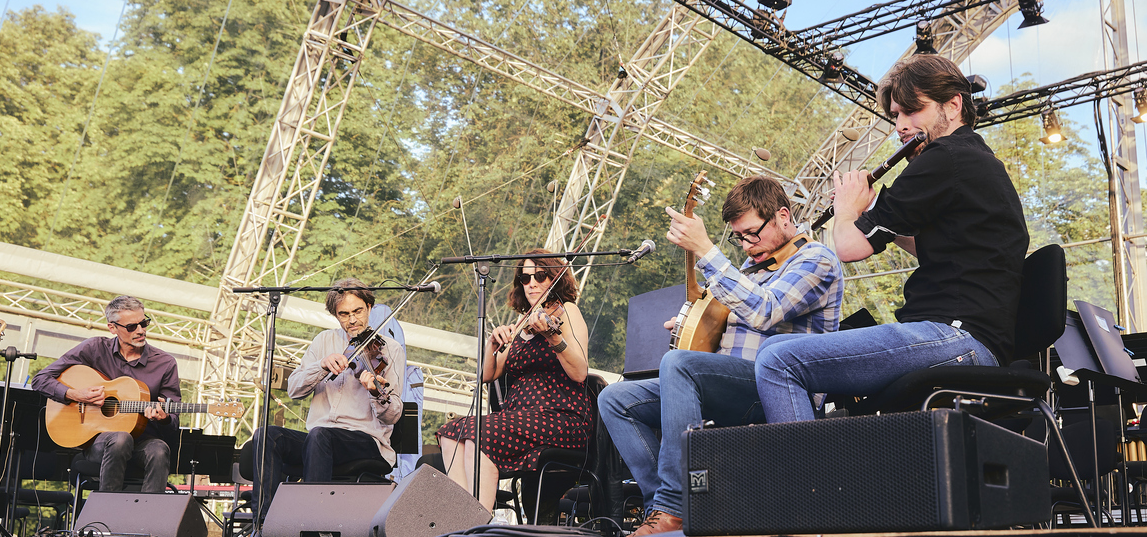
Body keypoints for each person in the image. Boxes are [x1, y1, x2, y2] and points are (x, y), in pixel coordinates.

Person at [754, 53, 1030, 424]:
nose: (900, 126)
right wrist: (876, 210)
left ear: (953, 105)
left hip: (956, 337)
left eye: (912, 111)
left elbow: (848, 248)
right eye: (896, 115)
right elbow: (943, 248)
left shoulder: (943, 156)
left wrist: (848, 211)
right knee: (776, 347)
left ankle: (808, 479)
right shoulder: (974, 159)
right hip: (970, 340)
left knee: (776, 361)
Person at [598, 175, 844, 536]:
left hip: (777, 387)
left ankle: (675, 505)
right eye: (738, 237)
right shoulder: (750, 269)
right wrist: (687, 324)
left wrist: (707, 250)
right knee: (615, 398)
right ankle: (660, 508)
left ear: (783, 217)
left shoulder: (816, 260)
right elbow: (724, 326)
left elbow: (765, 310)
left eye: (751, 233)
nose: (745, 245)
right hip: (730, 385)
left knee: (678, 365)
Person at [436, 249, 591, 512]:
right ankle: (462, 519)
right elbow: (488, 375)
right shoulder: (522, 322)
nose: (531, 284)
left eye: (540, 276)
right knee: (452, 433)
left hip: (559, 415)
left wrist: (555, 338)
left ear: (554, 277)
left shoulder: (567, 312)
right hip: (520, 417)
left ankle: (478, 523)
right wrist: (492, 344)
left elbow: (580, 372)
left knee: (478, 434)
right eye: (525, 278)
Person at [244, 278, 405, 522]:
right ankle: (265, 522)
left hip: (365, 440)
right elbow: (295, 390)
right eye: (344, 314)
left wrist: (374, 392)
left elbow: (393, 414)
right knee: (266, 435)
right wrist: (321, 366)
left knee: (320, 435)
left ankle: (311, 523)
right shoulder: (323, 342)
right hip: (318, 441)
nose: (352, 320)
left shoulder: (389, 350)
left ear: (370, 308)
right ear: (335, 315)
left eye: (358, 311)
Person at [33, 295, 179, 492]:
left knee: (159, 449)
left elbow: (174, 421)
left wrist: (164, 418)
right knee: (120, 438)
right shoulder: (94, 348)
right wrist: (76, 394)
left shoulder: (165, 363)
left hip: (142, 443)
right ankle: (105, 517)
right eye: (131, 327)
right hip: (97, 443)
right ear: (112, 328)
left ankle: (148, 518)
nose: (141, 331)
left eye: (144, 323)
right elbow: (40, 380)